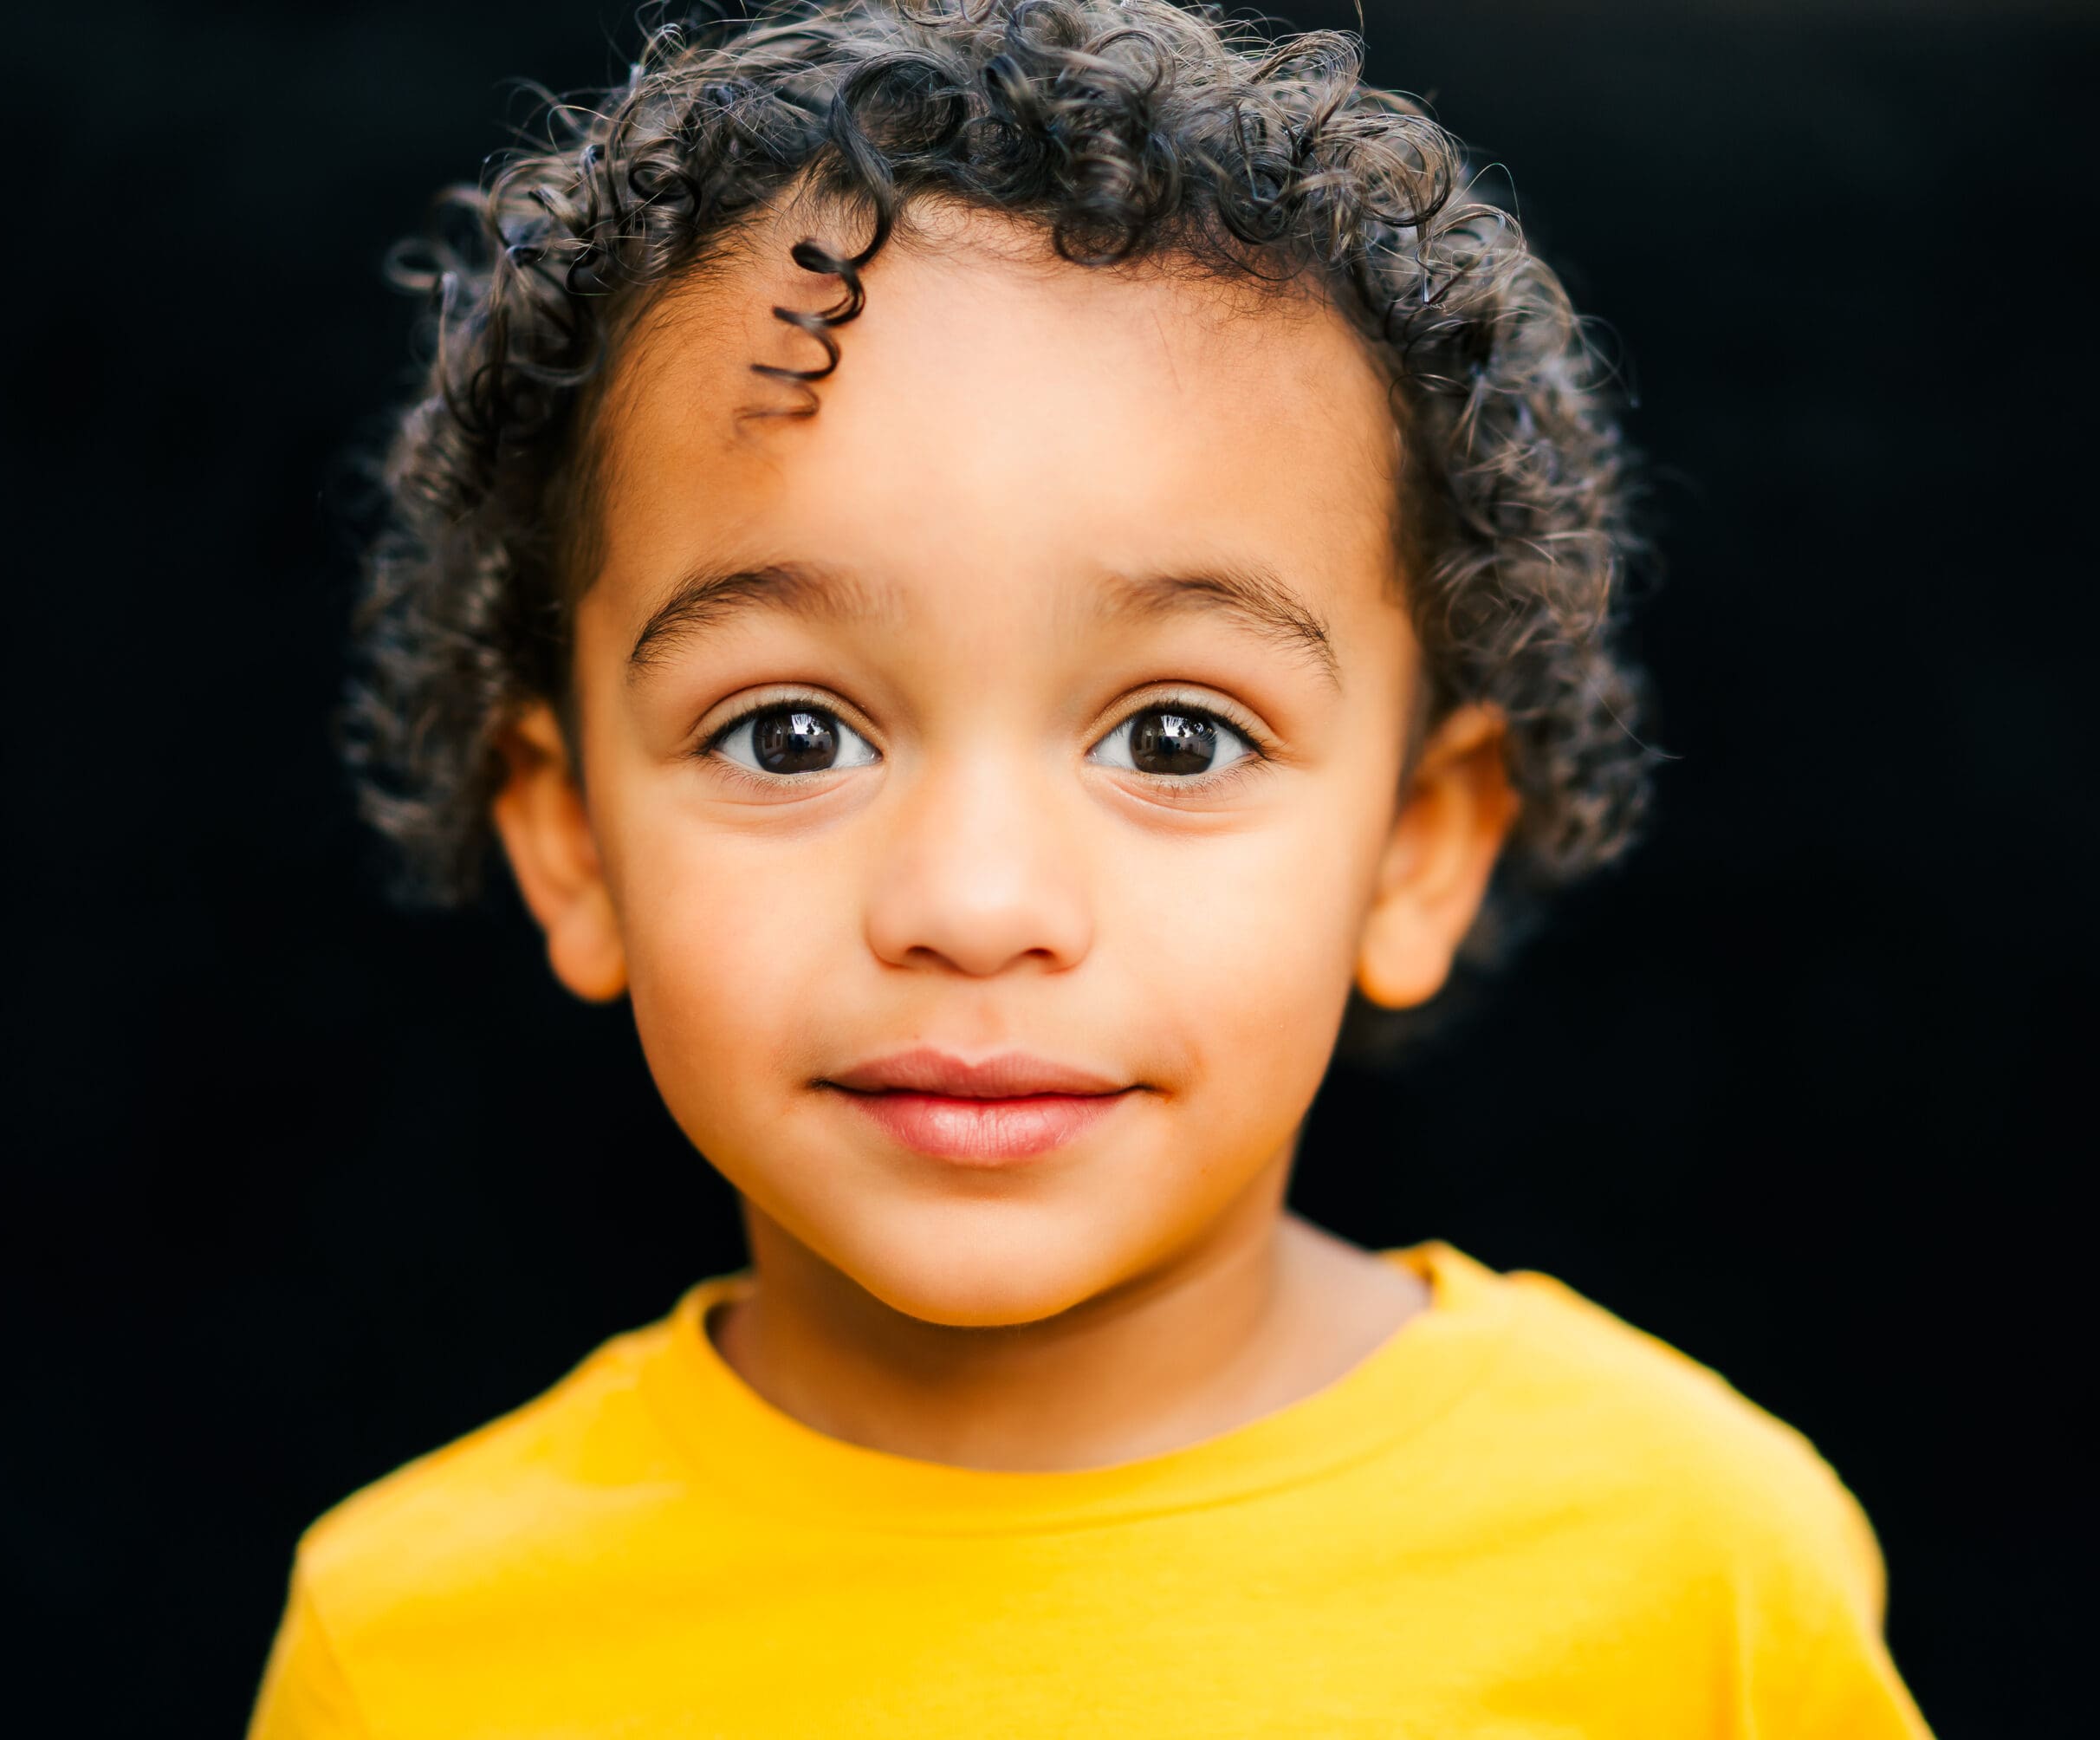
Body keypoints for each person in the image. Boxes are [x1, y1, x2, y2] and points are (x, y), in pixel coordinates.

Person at [250, 1, 1932, 1731]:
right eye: (791, 734)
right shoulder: (417, 1645)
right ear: (569, 836)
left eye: (1177, 737)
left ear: (1415, 847)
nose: (976, 905)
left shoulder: (1684, 1570)